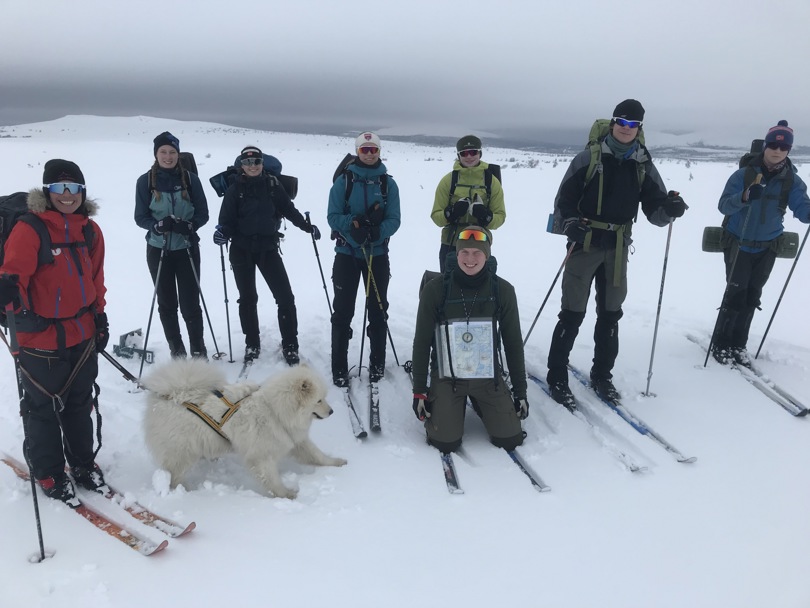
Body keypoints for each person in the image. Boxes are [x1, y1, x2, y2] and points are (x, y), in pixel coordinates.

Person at [546, 99, 687, 407]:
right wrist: (570, 225)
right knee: (572, 313)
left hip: (619, 248)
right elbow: (564, 200)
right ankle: (557, 376)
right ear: (612, 124)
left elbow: (654, 210)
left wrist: (670, 209)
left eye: (632, 125)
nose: (626, 130)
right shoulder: (588, 158)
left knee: (610, 315)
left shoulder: (643, 164)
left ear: (639, 129)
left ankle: (602, 376)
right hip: (584, 245)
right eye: (621, 123)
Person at [0, 159, 109, 504]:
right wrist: (5, 289)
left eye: (73, 188)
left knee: (79, 404)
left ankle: (82, 464)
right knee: (41, 409)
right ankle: (48, 473)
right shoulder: (30, 229)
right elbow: (13, 272)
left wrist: (101, 318)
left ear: (82, 192)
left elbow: (96, 281)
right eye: (59, 189)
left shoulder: (90, 231)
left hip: (82, 333)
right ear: (47, 193)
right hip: (38, 339)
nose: (67, 195)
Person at [411, 226, 528, 453]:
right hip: (448, 377)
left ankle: (480, 401)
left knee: (510, 439)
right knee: (446, 442)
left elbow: (513, 343)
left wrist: (520, 392)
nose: (470, 259)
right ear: (456, 254)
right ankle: (450, 407)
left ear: (487, 255)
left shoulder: (503, 290)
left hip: (487, 376)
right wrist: (419, 391)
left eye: (477, 253)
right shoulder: (435, 290)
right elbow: (422, 342)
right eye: (465, 252)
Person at [713, 120, 810, 365]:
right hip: (739, 243)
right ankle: (722, 344)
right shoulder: (744, 175)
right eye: (773, 146)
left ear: (788, 150)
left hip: (768, 247)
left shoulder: (792, 181)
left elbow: (802, 207)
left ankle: (738, 345)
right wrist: (744, 196)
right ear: (765, 147)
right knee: (735, 294)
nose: (777, 151)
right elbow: (724, 205)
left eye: (783, 148)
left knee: (753, 295)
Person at [213, 146, 320, 365]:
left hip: (268, 249)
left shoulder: (273, 185)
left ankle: (290, 345)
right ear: (242, 165)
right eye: (248, 163)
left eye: (256, 162)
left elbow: (289, 209)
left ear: (262, 163)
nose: (253, 166)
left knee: (285, 297)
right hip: (241, 249)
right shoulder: (235, 189)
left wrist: (306, 226)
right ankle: (252, 343)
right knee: (248, 298)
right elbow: (226, 220)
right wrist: (222, 232)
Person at [327, 132, 401, 386]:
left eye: (373, 150)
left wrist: (377, 231)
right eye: (364, 150)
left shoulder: (387, 184)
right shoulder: (344, 182)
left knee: (378, 312)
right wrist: (354, 224)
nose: (369, 154)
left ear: (379, 151)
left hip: (377, 255)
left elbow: (395, 219)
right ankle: (339, 367)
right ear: (357, 151)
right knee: (343, 311)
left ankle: (377, 365)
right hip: (347, 254)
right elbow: (333, 216)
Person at [134, 132, 210, 359]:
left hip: (186, 248)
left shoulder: (190, 179)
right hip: (158, 250)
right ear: (156, 154)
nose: (168, 156)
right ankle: (177, 350)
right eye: (163, 152)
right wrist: (156, 226)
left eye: (172, 152)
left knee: (190, 304)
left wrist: (191, 226)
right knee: (167, 304)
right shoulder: (145, 181)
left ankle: (198, 350)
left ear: (178, 154)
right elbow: (140, 217)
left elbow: (203, 213)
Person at [431, 134, 505, 272]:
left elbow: (500, 217)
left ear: (480, 153)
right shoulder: (449, 180)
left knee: (480, 290)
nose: (469, 156)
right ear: (458, 156)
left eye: (473, 152)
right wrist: (451, 213)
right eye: (464, 153)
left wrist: (486, 216)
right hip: (451, 244)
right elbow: (436, 216)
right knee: (448, 288)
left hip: (480, 244)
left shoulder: (491, 181)